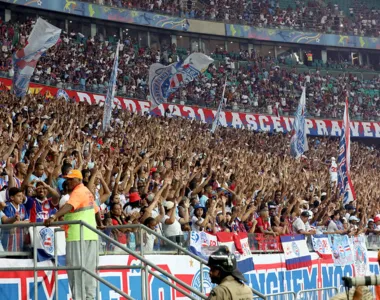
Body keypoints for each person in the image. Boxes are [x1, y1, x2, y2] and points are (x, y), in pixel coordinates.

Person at [44, 170, 103, 300]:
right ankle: (89, 297)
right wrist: (100, 224)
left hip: (77, 236)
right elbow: (96, 209)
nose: (68, 182)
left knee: (76, 271)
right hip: (91, 235)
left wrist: (54, 216)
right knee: (88, 270)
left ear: (79, 180)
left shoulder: (78, 192)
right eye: (67, 179)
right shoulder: (87, 191)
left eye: (71, 179)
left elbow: (69, 206)